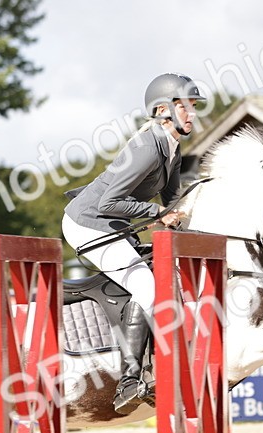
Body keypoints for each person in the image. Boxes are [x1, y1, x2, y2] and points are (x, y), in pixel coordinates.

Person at [61, 72, 204, 413]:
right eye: (186, 107)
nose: (193, 114)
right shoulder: (146, 148)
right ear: (162, 110)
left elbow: (173, 201)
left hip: (112, 225)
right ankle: (129, 382)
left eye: (194, 107)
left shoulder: (171, 147)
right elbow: (111, 201)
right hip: (88, 224)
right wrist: (157, 213)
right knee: (149, 289)